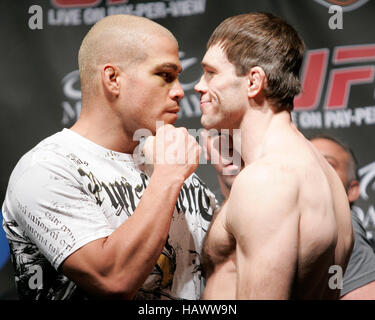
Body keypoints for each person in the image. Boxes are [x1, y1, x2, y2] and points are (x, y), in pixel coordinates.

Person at [1, 14, 217, 300]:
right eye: (165, 75)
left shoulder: (170, 165)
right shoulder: (46, 169)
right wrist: (168, 177)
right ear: (113, 79)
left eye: (178, 77)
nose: (179, 91)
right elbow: (112, 280)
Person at [194, 12, 353, 299]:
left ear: (254, 81)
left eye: (211, 73)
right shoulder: (322, 175)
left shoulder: (267, 180)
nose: (199, 86)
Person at [310, 135, 375, 300]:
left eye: (328, 164)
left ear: (352, 190)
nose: (312, 169)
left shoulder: (340, 226)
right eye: (305, 161)